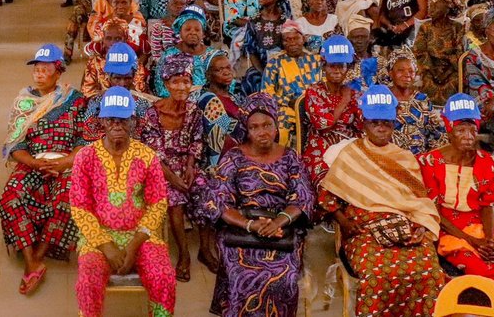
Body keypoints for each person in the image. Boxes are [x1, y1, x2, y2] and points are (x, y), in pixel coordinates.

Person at [318, 87, 445, 317]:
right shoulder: (350, 154)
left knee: (430, 271)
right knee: (376, 275)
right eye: (374, 122)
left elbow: (418, 201)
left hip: (404, 225)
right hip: (363, 229)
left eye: (386, 122)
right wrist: (344, 222)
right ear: (364, 124)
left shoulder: (404, 158)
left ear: (393, 124)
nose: (380, 127)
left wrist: (422, 226)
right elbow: (327, 197)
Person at [418, 94, 494, 317]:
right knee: (481, 274)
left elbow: (487, 206)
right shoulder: (430, 162)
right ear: (449, 129)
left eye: (472, 130)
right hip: (446, 227)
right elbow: (432, 210)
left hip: (481, 224)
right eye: (461, 129)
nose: (468, 136)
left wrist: (489, 239)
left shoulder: (486, 161)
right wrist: (472, 240)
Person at [202, 97, 314, 317]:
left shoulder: (290, 157)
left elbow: (303, 196)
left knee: (284, 278)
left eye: (267, 125)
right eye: (254, 127)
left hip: (282, 229)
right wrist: (250, 224)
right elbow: (218, 199)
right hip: (241, 230)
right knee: (239, 272)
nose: (262, 132)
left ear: (276, 126)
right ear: (246, 129)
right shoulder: (234, 157)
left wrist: (277, 222)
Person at [70, 86, 175, 317]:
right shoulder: (85, 158)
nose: (117, 125)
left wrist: (134, 244)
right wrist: (106, 245)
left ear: (133, 122)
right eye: (111, 119)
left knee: (163, 278)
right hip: (98, 237)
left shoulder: (147, 156)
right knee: (87, 284)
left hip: (142, 235)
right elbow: (79, 207)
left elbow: (158, 203)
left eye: (123, 120)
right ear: (102, 121)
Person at [0, 44, 88, 295]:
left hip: (66, 162)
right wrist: (37, 163)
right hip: (34, 161)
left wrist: (65, 162)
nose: (38, 72)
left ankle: (37, 257)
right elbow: (15, 145)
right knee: (9, 198)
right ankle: (32, 261)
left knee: (68, 198)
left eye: (45, 69)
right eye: (36, 68)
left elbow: (85, 139)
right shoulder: (23, 102)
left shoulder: (75, 99)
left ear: (58, 72)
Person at [139, 54, 202, 281]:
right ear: (166, 84)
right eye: (175, 82)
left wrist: (191, 166)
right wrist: (173, 178)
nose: (181, 87)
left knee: (207, 191)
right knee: (173, 200)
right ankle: (184, 256)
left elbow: (196, 140)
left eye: (186, 81)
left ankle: (206, 249)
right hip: (161, 168)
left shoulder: (194, 110)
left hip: (186, 165)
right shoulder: (153, 113)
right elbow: (153, 154)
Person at [299, 35, 362, 184]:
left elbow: (362, 125)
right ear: (324, 66)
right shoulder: (315, 91)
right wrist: (344, 101)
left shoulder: (354, 92)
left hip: (349, 143)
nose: (337, 70)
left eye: (342, 65)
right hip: (321, 145)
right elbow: (323, 124)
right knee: (330, 184)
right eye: (332, 65)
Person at [261, 20, 324, 146]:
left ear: (303, 39)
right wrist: (287, 102)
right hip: (287, 110)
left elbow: (325, 85)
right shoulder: (275, 63)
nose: (292, 43)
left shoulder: (316, 60)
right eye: (287, 40)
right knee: (281, 128)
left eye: (296, 38)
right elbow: (266, 93)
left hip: (315, 107)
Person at [385, 49, 443, 155]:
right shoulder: (383, 98)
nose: (407, 75)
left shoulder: (422, 100)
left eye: (411, 71)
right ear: (390, 73)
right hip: (390, 157)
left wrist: (429, 155)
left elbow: (437, 132)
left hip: (420, 159)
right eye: (400, 70)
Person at [412, 0, 465, 104]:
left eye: (435, 7)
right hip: (430, 67)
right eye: (431, 6)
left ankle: (449, 116)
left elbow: (459, 52)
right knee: (428, 83)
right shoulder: (426, 27)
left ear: (446, 9)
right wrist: (433, 71)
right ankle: (429, 114)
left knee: (453, 82)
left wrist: (447, 72)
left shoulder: (457, 27)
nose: (431, 10)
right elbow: (419, 51)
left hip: (451, 68)